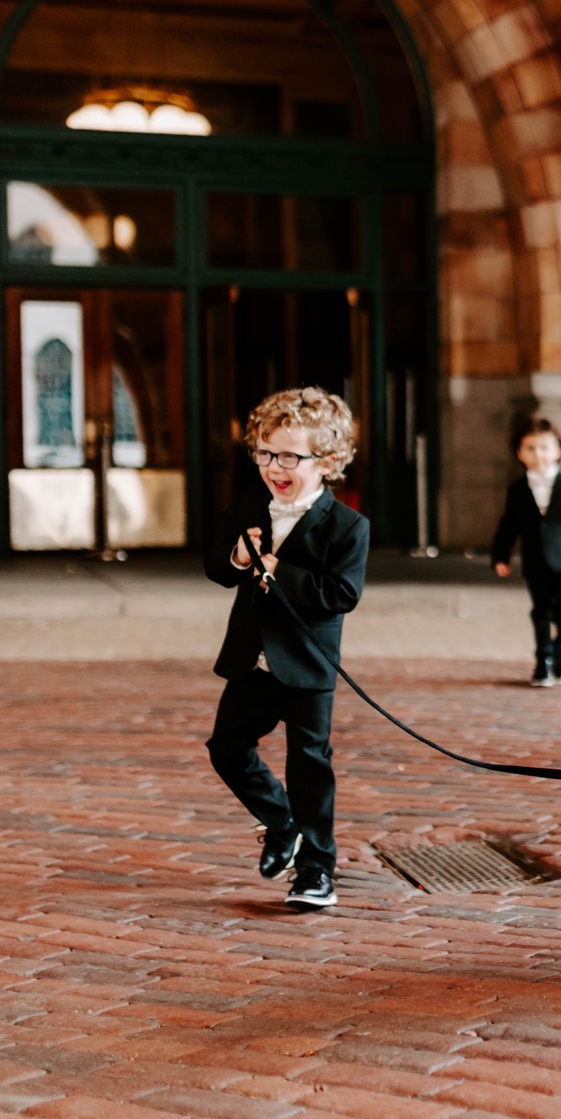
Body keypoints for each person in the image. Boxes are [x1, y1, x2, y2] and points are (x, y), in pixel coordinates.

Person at [204, 387, 370, 911]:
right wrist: (236, 557)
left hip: (307, 665)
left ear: (328, 462)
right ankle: (283, 821)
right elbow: (216, 569)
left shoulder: (347, 527)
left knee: (310, 764)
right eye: (266, 453)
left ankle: (317, 870)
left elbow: (342, 595)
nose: (277, 466)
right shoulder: (249, 508)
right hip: (253, 659)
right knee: (227, 747)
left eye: (292, 456)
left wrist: (283, 572)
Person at [492, 415, 561, 685]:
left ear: (559, 450)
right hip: (535, 559)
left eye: (544, 447)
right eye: (530, 448)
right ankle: (543, 659)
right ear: (519, 453)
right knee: (540, 610)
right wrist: (501, 556)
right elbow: (509, 525)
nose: (538, 454)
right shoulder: (517, 489)